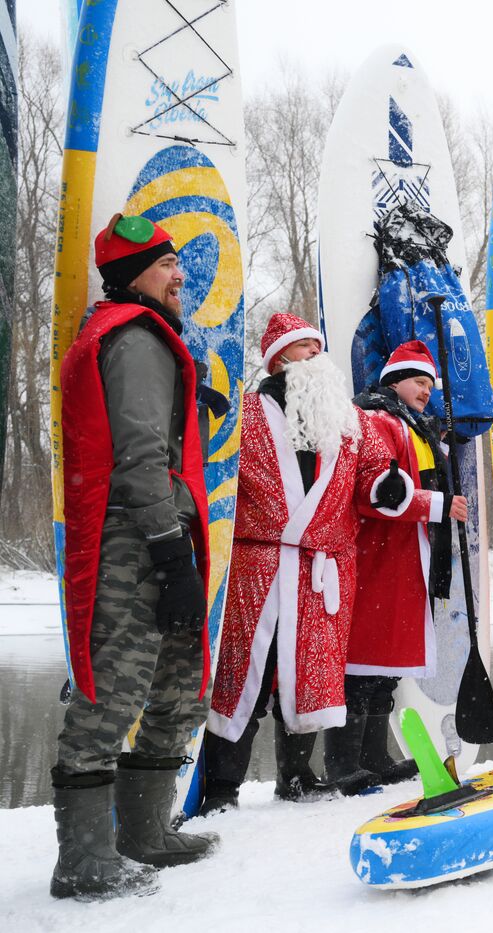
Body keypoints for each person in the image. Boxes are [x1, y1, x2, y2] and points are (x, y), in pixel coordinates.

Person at [51, 214, 223, 900]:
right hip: (138, 539)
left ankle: (145, 829)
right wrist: (166, 549)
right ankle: (84, 858)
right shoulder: (134, 335)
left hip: (164, 535)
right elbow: (140, 456)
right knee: (113, 690)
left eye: (177, 260)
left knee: (182, 684)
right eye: (165, 263)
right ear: (131, 277)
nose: (180, 273)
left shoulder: (147, 336)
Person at [200, 313, 415, 811]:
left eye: (320, 349)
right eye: (305, 350)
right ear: (280, 362)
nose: (318, 359)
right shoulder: (247, 414)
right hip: (259, 563)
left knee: (309, 674)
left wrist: (388, 486)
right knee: (246, 674)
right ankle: (222, 787)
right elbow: (216, 469)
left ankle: (296, 776)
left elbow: (374, 472)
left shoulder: (350, 421)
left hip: (322, 569)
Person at [348, 341, 470, 784]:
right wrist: (439, 504)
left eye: (431, 385)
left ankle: (373, 756)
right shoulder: (380, 420)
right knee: (365, 661)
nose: (427, 392)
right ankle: (349, 762)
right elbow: (377, 494)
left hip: (403, 555)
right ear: (394, 381)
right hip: (379, 554)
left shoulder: (412, 426)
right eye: (420, 382)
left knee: (384, 664)